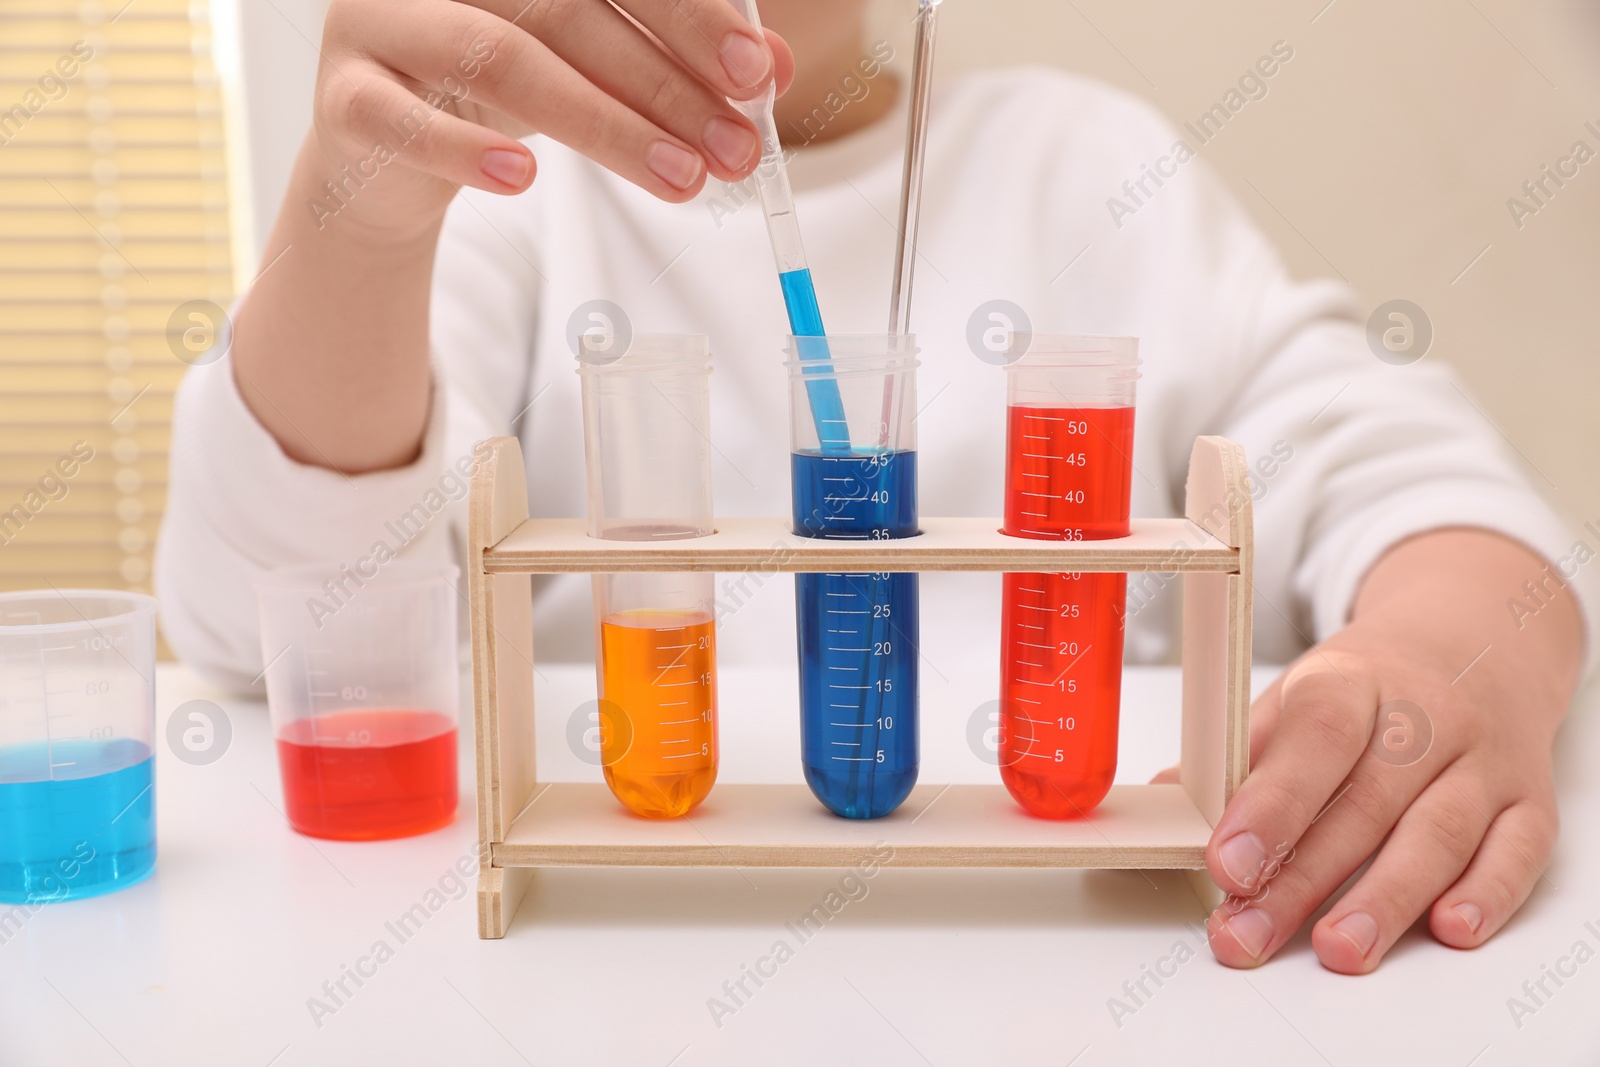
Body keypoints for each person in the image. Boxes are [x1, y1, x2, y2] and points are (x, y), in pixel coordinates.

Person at [155, 0, 1589, 975]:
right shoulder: (521, 190)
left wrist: (1448, 659)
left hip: (1075, 955)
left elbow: (1426, 481)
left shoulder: (1090, 166)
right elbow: (255, 622)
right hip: (626, 969)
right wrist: (361, 211)